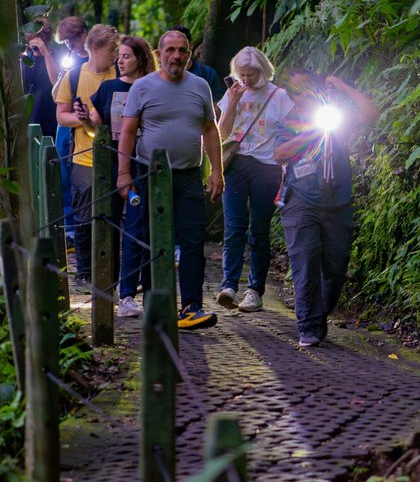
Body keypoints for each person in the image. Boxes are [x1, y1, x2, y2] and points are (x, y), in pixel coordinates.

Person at [118, 28, 223, 331]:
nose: (176, 56)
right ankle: (157, 305)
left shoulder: (201, 86)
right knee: (154, 242)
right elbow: (127, 131)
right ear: (159, 54)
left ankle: (192, 306)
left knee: (193, 240)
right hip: (152, 175)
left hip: (189, 176)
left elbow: (210, 129)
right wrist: (124, 173)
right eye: (170, 50)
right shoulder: (142, 87)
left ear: (190, 55)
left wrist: (217, 171)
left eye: (183, 51)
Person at [272, 71, 379, 348]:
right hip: (300, 201)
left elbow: (370, 113)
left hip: (337, 200)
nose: (304, 94)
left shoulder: (335, 117)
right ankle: (308, 326)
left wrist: (342, 84)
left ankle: (318, 314)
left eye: (309, 88)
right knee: (305, 264)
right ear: (292, 96)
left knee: (336, 265)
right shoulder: (289, 122)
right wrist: (313, 133)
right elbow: (280, 154)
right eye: (298, 91)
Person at [214, 47, 293, 313]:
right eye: (242, 74)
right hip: (236, 165)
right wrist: (233, 103)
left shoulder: (279, 96)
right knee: (234, 227)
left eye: (251, 74)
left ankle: (255, 291)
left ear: (263, 70)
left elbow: (288, 132)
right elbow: (221, 133)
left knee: (258, 231)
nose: (246, 79)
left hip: (267, 168)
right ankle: (229, 285)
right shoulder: (234, 92)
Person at [89, 35, 155, 318]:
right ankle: (109, 288)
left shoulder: (153, 87)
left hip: (142, 163)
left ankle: (134, 293)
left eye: (127, 56)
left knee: (138, 227)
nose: (120, 60)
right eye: (120, 56)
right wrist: (83, 117)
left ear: (141, 58)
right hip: (110, 164)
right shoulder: (108, 88)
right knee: (108, 223)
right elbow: (97, 125)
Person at [54, 23, 117, 289]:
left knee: (114, 216)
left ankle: (112, 271)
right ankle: (84, 271)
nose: (113, 55)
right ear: (92, 48)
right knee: (83, 217)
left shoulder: (121, 73)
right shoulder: (74, 76)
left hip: (116, 154)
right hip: (83, 155)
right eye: (109, 50)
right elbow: (61, 116)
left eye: (116, 50)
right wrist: (81, 120)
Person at [54, 16, 89, 240]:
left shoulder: (98, 60)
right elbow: (56, 95)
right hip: (67, 127)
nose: (69, 46)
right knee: (65, 178)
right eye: (65, 42)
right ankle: (71, 230)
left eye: (71, 40)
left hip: (89, 128)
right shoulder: (70, 64)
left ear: (83, 35)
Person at [20, 20, 60, 136]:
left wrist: (45, 53)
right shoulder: (25, 59)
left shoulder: (57, 57)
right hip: (29, 122)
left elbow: (57, 83)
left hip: (51, 121)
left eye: (45, 32)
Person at [172, 25, 227, 102]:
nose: (176, 55)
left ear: (191, 45)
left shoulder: (208, 74)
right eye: (171, 49)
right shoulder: (159, 76)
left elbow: (219, 105)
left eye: (181, 48)